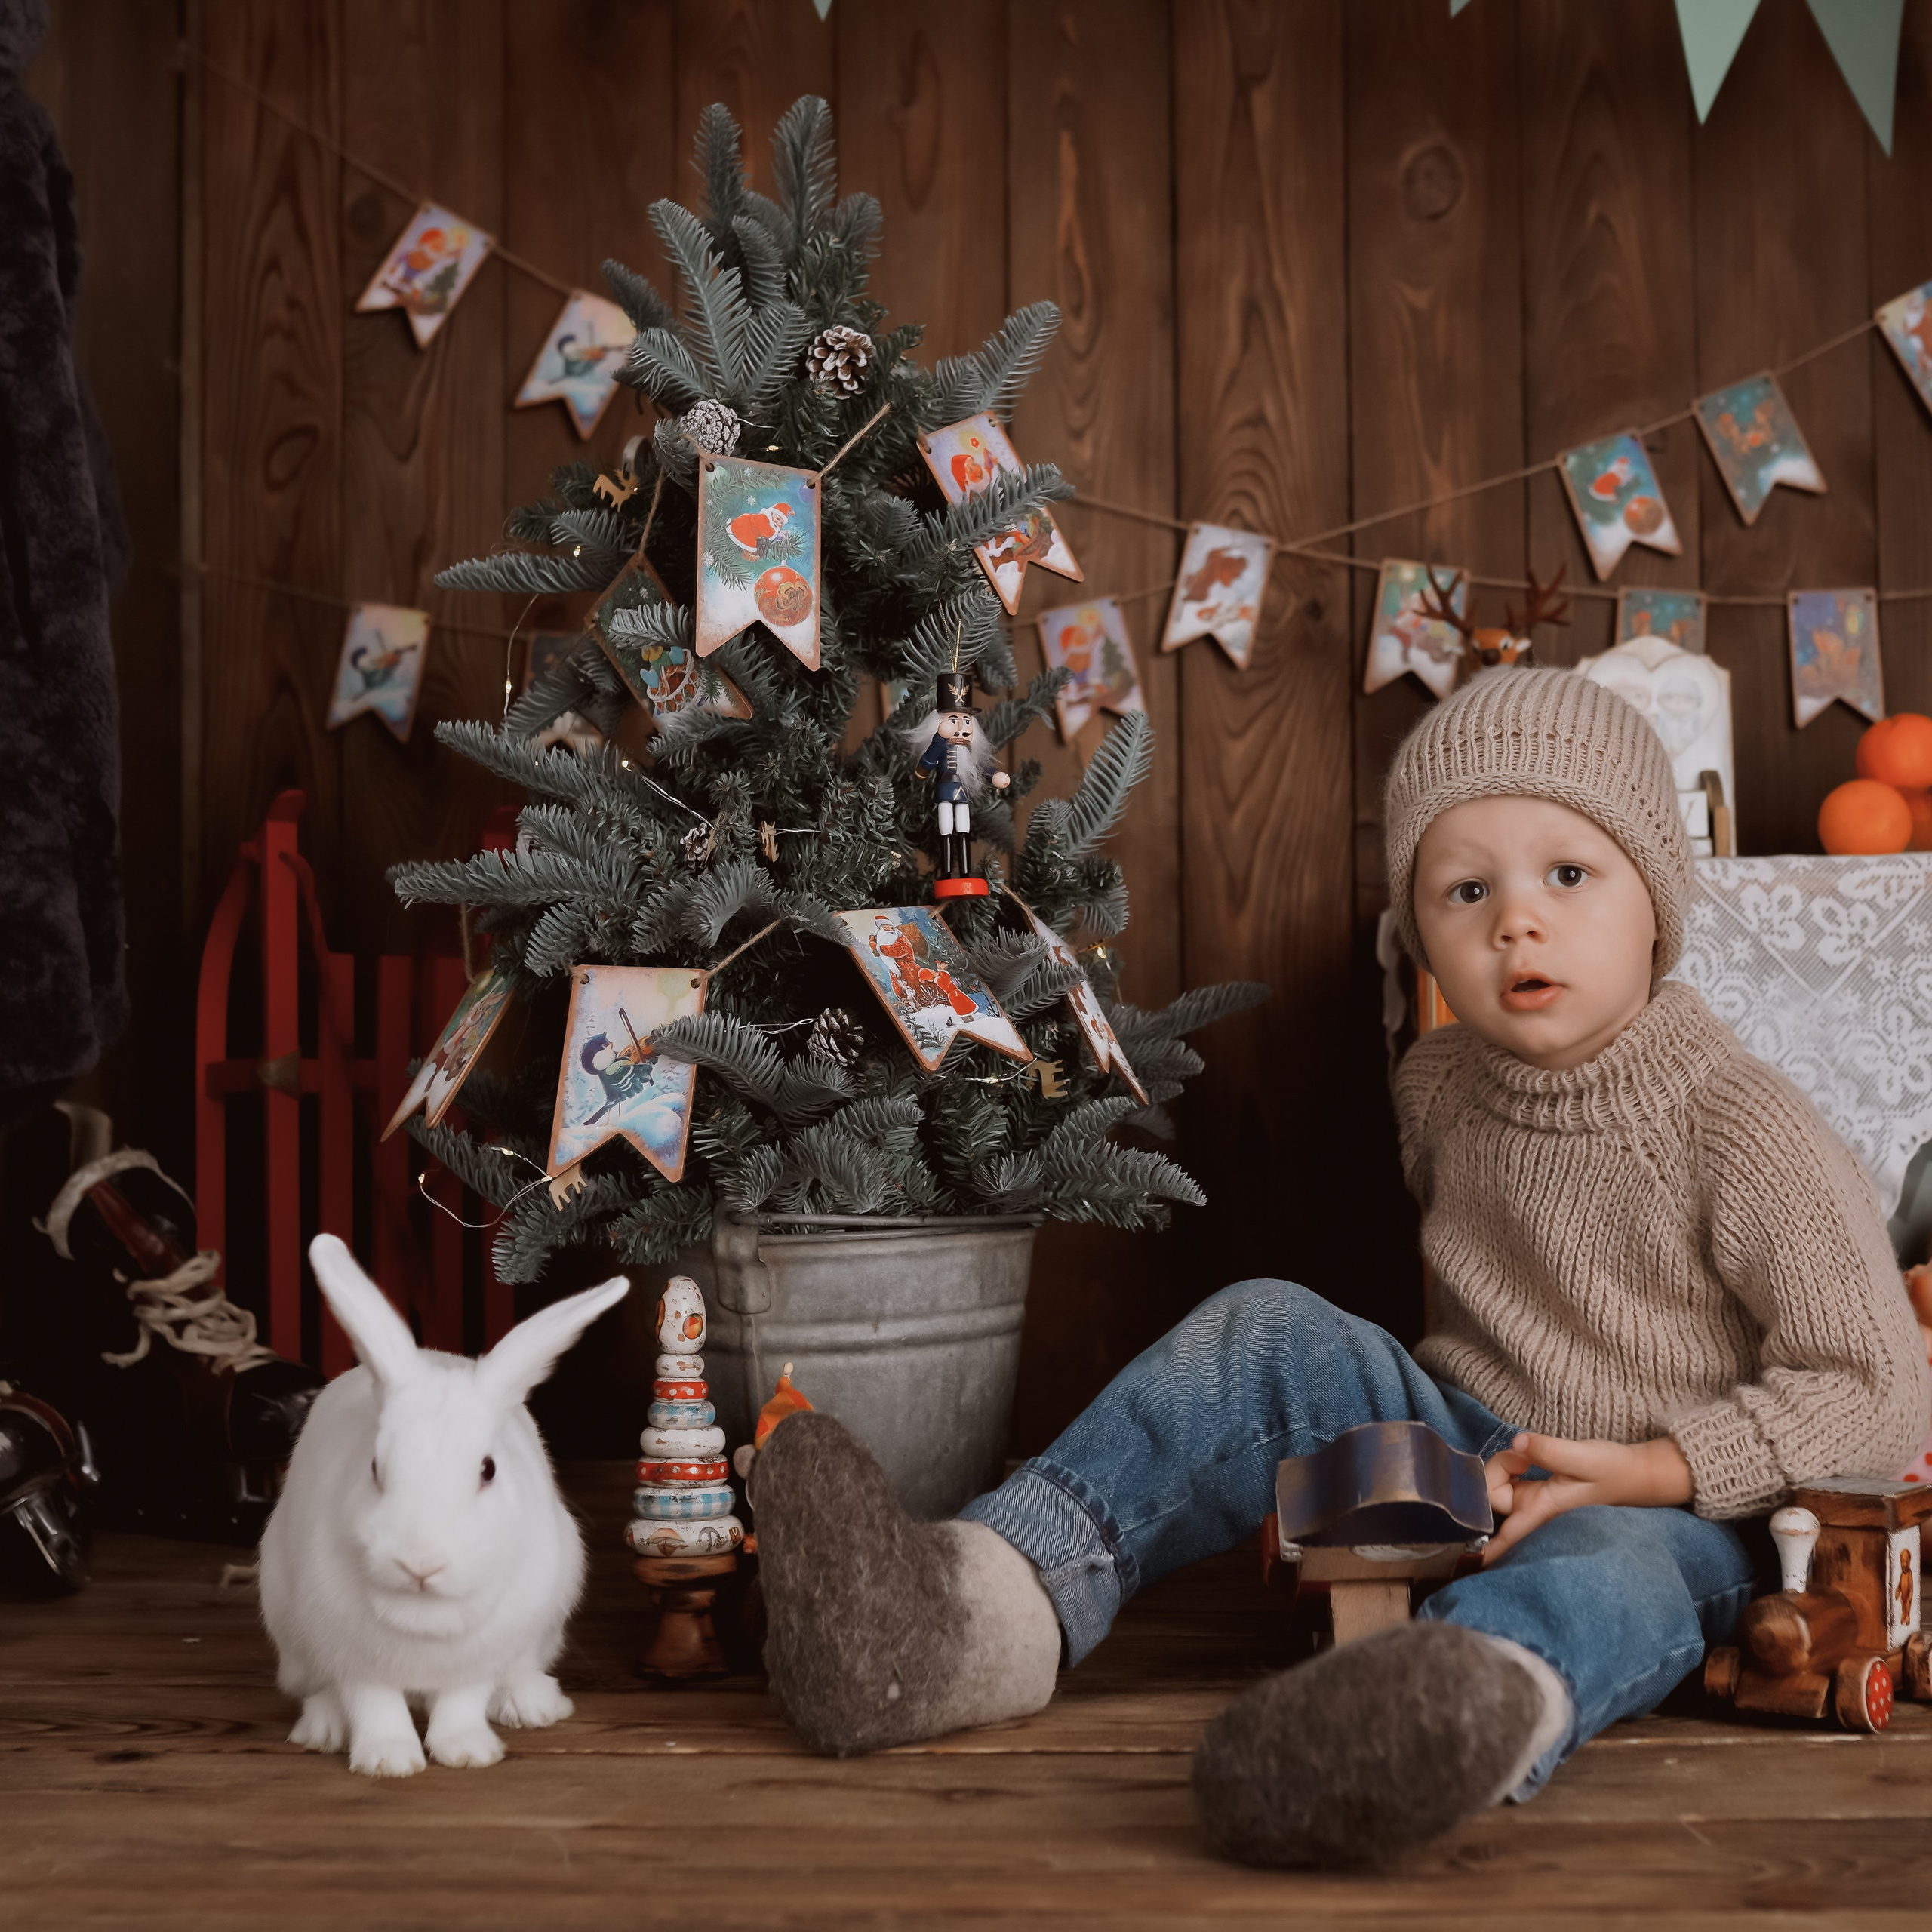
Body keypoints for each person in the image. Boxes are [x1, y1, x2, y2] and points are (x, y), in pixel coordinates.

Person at [748, 668, 1930, 1867]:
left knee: (1606, 1567)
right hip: (1474, 1445)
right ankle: (963, 1619)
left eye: (1569, 875)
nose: (1516, 921)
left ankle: (1439, 1714)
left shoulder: (1742, 1125)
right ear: (1422, 927)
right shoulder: (1438, 1087)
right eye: (1466, 890)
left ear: (1658, 897)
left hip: (1678, 1509)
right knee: (1265, 1326)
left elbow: (1883, 1388)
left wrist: (1656, 1465)